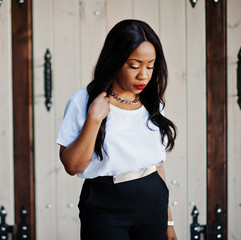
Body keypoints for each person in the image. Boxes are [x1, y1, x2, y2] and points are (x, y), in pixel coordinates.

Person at [56, 19, 178, 240]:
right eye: (134, 65)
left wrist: (169, 221)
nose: (144, 75)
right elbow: (72, 165)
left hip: (153, 201)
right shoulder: (83, 101)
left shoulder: (152, 104)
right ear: (115, 61)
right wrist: (93, 118)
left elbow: (156, 166)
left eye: (150, 65)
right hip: (105, 204)